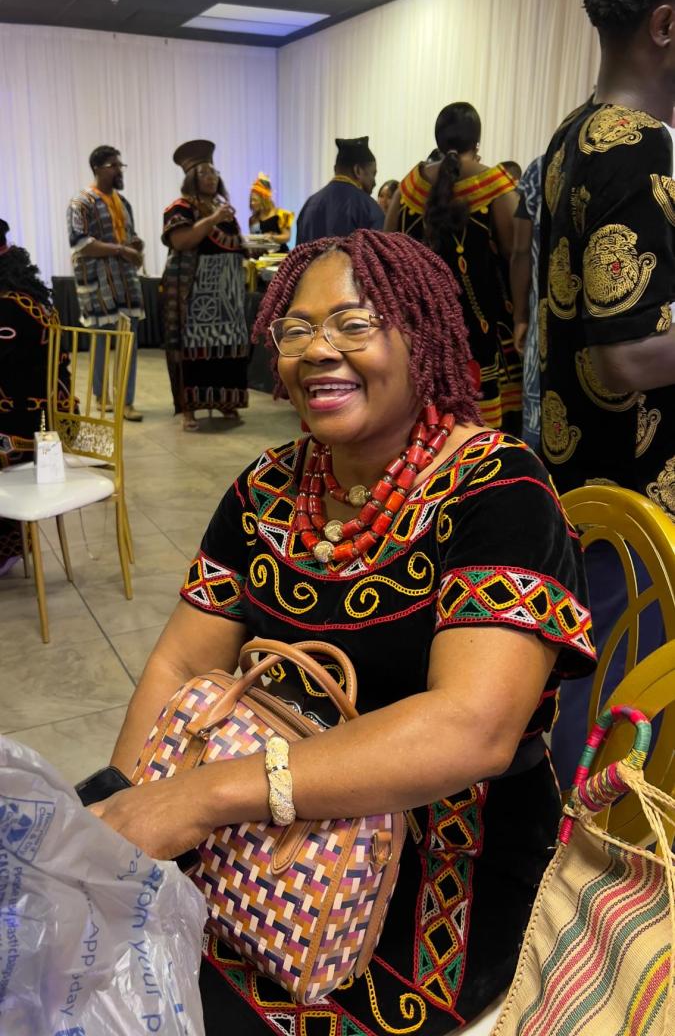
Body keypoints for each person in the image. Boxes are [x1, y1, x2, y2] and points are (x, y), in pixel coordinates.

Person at [95, 229, 595, 1036]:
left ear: (422, 336)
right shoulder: (267, 488)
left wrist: (204, 794)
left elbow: (470, 728)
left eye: (354, 324)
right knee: (78, 946)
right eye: (295, 330)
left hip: (440, 871)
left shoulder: (496, 489)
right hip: (255, 841)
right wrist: (126, 807)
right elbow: (181, 661)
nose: (318, 351)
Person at [538, 0, 675, 786]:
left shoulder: (574, 134)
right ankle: (592, 839)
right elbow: (627, 354)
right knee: (628, 687)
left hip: (583, 467)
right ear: (664, 25)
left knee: (593, 669)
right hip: (638, 485)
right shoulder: (640, 146)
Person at [390, 104, 522, 432]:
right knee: (483, 427)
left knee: (423, 423)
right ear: (476, 142)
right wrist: (523, 317)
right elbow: (517, 255)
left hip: (419, 326)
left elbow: (387, 254)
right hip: (483, 328)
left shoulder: (409, 187)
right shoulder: (495, 186)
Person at [161, 140, 248, 432]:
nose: (212, 177)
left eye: (214, 172)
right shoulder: (180, 208)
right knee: (194, 349)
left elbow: (235, 243)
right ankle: (189, 408)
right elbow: (182, 240)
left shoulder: (222, 208)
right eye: (205, 173)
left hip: (228, 294)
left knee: (226, 347)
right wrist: (212, 220)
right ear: (192, 178)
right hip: (196, 293)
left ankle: (223, 399)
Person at [0, 224, 70, 573]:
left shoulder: (8, 307)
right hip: (45, 420)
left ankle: (6, 547)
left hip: (28, 429)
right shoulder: (25, 298)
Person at [67, 145, 144, 422]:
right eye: (113, 165)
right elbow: (80, 242)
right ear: (97, 168)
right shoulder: (81, 202)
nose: (118, 170)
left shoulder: (123, 203)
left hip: (126, 280)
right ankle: (102, 397)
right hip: (97, 282)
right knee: (101, 339)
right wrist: (122, 250)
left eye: (120, 165)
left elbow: (129, 237)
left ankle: (126, 401)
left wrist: (135, 245)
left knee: (128, 340)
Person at [510, 156, 545, 450]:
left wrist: (520, 316)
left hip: (545, 323)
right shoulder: (633, 154)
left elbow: (521, 250)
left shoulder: (541, 168)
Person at [296, 137, 383, 244]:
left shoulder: (309, 205)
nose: (374, 182)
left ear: (335, 169)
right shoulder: (369, 208)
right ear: (357, 170)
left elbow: (298, 252)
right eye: (373, 174)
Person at [248, 172, 294, 252]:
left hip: (280, 256)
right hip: (260, 257)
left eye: (255, 200)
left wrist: (272, 237)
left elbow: (287, 237)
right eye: (251, 200)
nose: (252, 203)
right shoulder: (253, 219)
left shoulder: (283, 214)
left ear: (264, 199)